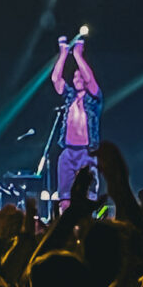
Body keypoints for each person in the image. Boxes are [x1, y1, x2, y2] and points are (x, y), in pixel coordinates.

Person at [50, 34, 102, 209]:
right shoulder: (70, 97)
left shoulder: (94, 98)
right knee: (65, 201)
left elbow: (90, 79)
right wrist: (63, 54)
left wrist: (78, 55)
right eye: (75, 77)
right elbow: (56, 80)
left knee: (87, 199)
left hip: (87, 153)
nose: (78, 79)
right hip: (68, 152)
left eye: (80, 77)